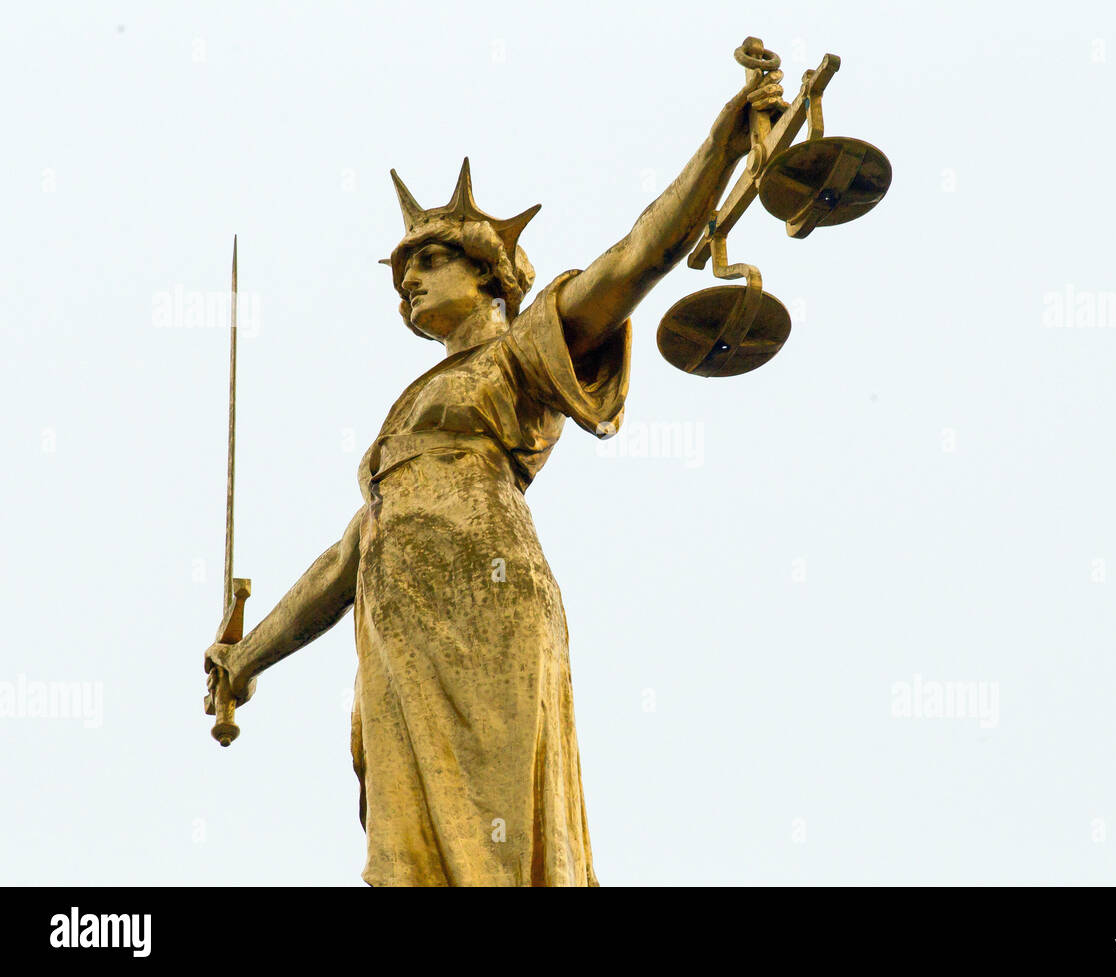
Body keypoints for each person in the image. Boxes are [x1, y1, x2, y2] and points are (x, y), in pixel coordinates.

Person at [204, 65, 786, 886]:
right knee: (412, 863)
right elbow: (346, 561)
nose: (408, 279)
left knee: (502, 847)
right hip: (402, 632)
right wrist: (247, 656)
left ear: (488, 272)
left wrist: (722, 148)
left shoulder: (519, 355)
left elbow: (638, 259)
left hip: (487, 601)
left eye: (430, 258)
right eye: (402, 270)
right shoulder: (404, 422)